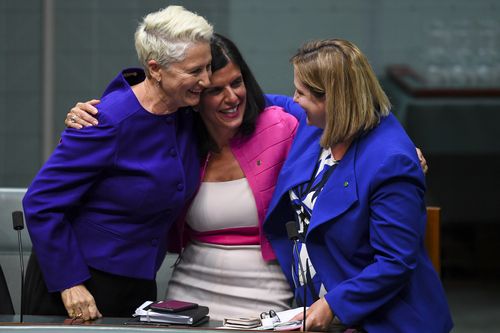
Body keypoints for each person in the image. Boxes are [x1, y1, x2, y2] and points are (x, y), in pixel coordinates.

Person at [65, 33, 298, 320]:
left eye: (237, 83)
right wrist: (97, 115)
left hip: (267, 292)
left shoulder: (281, 126)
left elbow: (318, 110)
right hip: (190, 290)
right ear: (195, 95)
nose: (232, 97)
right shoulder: (178, 135)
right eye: (215, 90)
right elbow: (138, 107)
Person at [22, 5, 213, 320]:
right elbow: (41, 202)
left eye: (208, 67)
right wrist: (70, 282)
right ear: (155, 69)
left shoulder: (184, 111)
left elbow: (247, 104)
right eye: (195, 71)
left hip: (137, 285)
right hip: (77, 285)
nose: (206, 80)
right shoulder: (105, 120)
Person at [263, 39, 453, 332]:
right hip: (320, 312)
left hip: (384, 322)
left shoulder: (392, 162)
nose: (295, 99)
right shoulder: (321, 123)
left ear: (332, 100)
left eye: (301, 92)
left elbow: (394, 262)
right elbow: (271, 103)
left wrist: (333, 305)